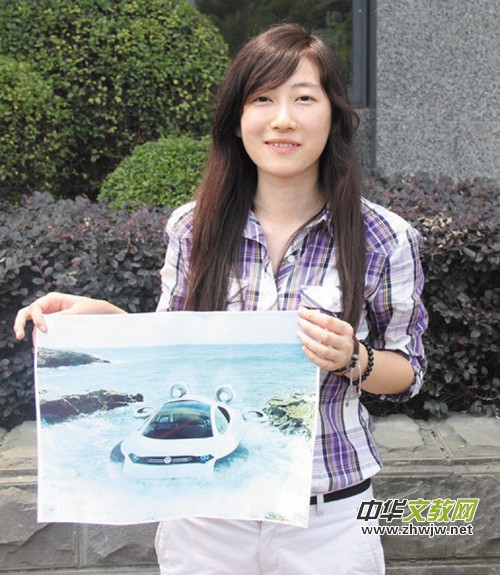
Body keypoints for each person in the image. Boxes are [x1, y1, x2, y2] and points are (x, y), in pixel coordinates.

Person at [14, 23, 427, 575]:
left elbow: (408, 373)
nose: (283, 119)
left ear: (334, 114)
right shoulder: (192, 228)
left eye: (304, 98)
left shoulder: (385, 238)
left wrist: (353, 357)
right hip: (204, 521)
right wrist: (102, 322)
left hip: (331, 521)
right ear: (237, 119)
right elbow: (175, 351)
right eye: (263, 99)